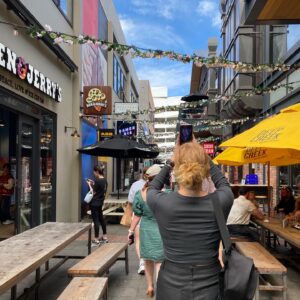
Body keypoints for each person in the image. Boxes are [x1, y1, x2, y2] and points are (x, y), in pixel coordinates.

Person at [146, 140, 234, 300]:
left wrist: (169, 163)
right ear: (206, 170)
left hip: (171, 285)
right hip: (211, 284)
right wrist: (203, 156)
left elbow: (152, 187)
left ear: (176, 170)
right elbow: (223, 184)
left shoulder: (162, 203)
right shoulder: (221, 201)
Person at [128, 164, 165, 298]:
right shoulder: (165, 194)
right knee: (159, 262)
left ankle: (150, 285)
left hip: (146, 229)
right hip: (161, 230)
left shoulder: (140, 194)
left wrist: (130, 231)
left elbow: (137, 214)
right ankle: (159, 287)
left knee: (148, 259)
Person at [127, 167, 149, 275]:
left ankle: (142, 262)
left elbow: (130, 201)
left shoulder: (135, 185)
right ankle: (149, 261)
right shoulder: (157, 185)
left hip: (137, 216)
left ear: (141, 174)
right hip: (151, 217)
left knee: (138, 239)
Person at [87, 164, 108, 245]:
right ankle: (105, 237)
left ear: (97, 172)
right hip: (100, 202)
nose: (94, 174)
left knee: (96, 221)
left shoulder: (98, 181)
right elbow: (101, 190)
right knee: (101, 219)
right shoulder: (104, 180)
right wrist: (93, 183)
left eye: (94, 172)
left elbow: (93, 192)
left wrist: (89, 184)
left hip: (94, 203)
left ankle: (96, 239)